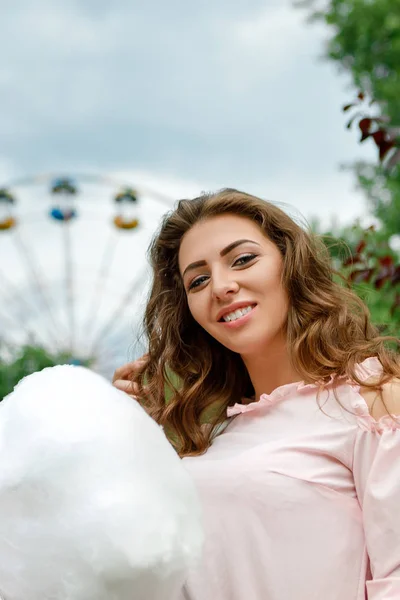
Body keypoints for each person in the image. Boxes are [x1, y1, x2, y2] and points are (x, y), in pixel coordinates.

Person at [113, 187, 400, 600]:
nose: (221, 286)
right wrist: (115, 441)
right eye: (198, 280)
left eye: (243, 259)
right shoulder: (214, 436)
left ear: (290, 263)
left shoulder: (371, 401)